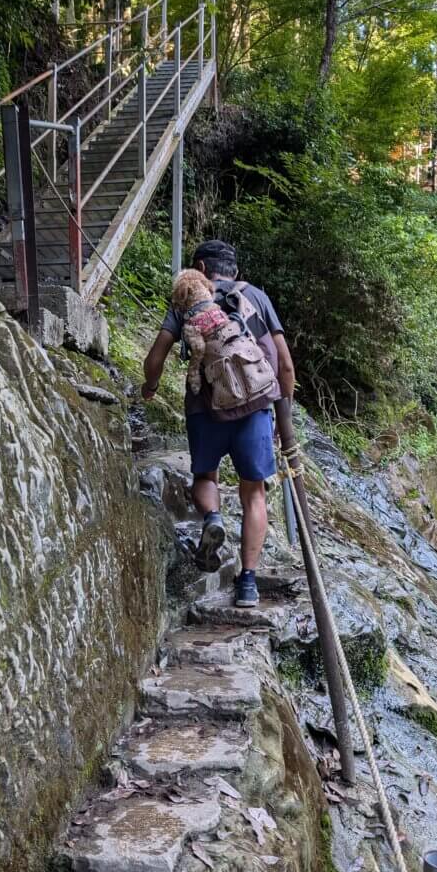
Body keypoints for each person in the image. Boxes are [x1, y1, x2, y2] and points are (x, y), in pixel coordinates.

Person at [142, 240, 296, 608]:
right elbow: (285, 364)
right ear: (235, 273)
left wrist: (150, 387)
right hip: (255, 406)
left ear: (199, 267)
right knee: (254, 492)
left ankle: (213, 517)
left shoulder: (186, 301)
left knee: (205, 478)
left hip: (204, 406)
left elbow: (156, 357)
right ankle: (247, 583)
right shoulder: (255, 297)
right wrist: (281, 415)